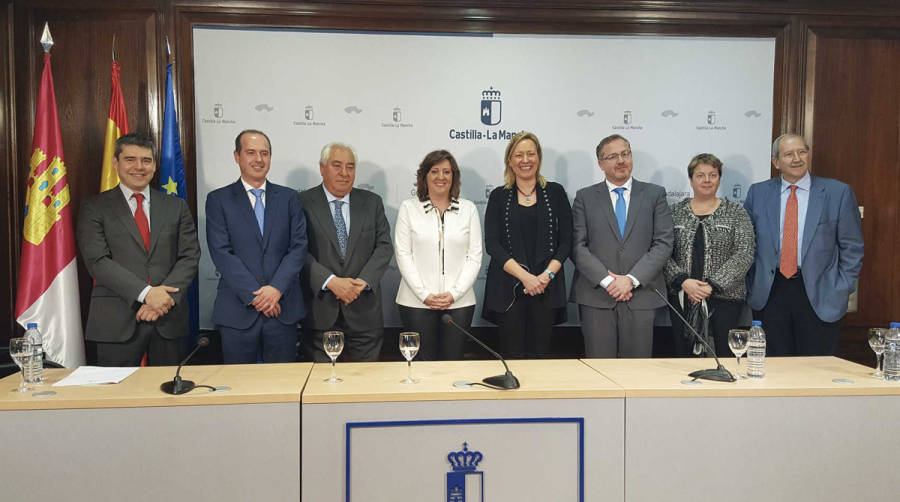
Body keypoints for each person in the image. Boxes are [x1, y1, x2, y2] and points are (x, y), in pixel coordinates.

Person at [77, 132, 200, 366]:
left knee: (170, 396)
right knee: (115, 398)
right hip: (116, 321)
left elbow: (190, 256)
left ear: (154, 165)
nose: (139, 167)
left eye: (146, 160)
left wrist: (163, 299)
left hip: (168, 319)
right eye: (130, 159)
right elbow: (98, 262)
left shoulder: (176, 206)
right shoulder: (95, 207)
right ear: (116, 163)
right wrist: (147, 294)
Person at [744, 133, 863, 356]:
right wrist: (751, 283)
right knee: (773, 369)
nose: (797, 158)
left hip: (820, 293)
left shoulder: (837, 193)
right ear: (776, 162)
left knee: (816, 368)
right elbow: (747, 244)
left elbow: (852, 247)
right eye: (789, 154)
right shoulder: (758, 193)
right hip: (771, 292)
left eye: (802, 152)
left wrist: (842, 287)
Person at [205, 129, 307, 363]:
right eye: (251, 152)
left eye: (264, 153)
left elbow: (298, 247)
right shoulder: (218, 200)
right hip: (238, 312)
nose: (258, 159)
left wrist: (276, 290)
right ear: (237, 156)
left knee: (282, 389)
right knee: (240, 391)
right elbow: (221, 252)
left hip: (283, 310)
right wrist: (258, 297)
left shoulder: (289, 198)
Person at [571, 134, 674, 358]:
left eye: (625, 154)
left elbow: (663, 243)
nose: (621, 160)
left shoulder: (655, 194)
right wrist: (609, 281)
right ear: (600, 163)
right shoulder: (585, 197)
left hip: (641, 295)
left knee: (637, 371)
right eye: (613, 156)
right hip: (597, 297)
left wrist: (630, 280)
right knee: (601, 371)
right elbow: (577, 246)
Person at [298, 142, 393, 362]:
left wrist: (362, 281)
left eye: (350, 167)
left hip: (364, 311)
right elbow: (297, 250)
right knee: (321, 388)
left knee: (366, 383)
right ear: (322, 168)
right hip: (319, 310)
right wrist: (330, 281)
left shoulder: (372, 202)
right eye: (337, 165)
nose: (344, 173)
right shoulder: (301, 203)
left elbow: (384, 246)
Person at [482, 131, 573, 359]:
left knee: (542, 356)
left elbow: (566, 241)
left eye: (530, 154)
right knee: (512, 356)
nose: (525, 160)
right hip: (508, 290)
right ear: (510, 161)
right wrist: (526, 277)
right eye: (519, 155)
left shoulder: (556, 192)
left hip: (546, 288)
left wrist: (544, 277)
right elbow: (493, 245)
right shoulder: (498, 196)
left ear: (539, 158)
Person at [664, 153, 755, 357]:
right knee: (684, 358)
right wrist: (683, 281)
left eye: (712, 175)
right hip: (682, 298)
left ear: (719, 178)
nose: (707, 180)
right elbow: (662, 253)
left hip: (726, 301)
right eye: (700, 175)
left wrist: (712, 285)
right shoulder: (673, 212)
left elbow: (744, 253)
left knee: (725, 357)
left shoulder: (736, 212)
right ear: (691, 179)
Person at [395, 150, 482, 360]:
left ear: (454, 177)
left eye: (446, 172)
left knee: (453, 364)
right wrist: (424, 295)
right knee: (423, 367)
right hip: (416, 303)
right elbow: (403, 254)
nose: (440, 177)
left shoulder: (468, 209)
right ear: (424, 176)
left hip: (459, 303)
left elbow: (475, 255)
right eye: (434, 171)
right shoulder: (408, 208)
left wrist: (454, 293)